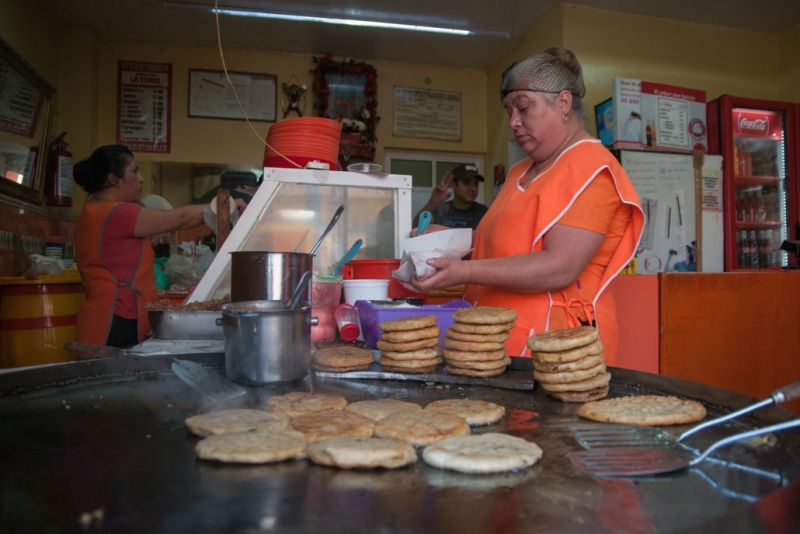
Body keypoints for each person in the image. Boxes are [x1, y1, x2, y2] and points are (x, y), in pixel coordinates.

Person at [403, 48, 644, 364]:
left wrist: (464, 271)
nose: (514, 122)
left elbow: (560, 266)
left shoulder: (593, 170)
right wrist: (447, 240)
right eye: (509, 110)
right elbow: (507, 243)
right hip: (497, 341)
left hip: (556, 351)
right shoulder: (521, 171)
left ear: (563, 103)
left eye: (524, 107)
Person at [72, 144, 242, 349]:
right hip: (116, 322)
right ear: (113, 179)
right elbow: (179, 218)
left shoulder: (93, 210)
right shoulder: (116, 213)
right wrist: (226, 206)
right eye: (134, 171)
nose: (141, 179)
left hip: (102, 317)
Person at [413, 163, 488, 230]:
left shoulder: (484, 212)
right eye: (467, 183)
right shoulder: (440, 210)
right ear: (454, 184)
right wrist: (432, 202)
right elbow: (417, 229)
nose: (473, 188)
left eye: (475, 184)